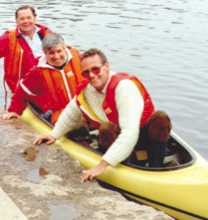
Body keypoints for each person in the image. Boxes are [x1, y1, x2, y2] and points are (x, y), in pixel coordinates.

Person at [34, 48, 172, 183]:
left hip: (137, 134)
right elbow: (71, 113)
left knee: (160, 117)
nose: (92, 75)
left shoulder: (124, 88)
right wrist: (53, 135)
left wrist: (102, 165)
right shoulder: (87, 90)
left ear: (106, 66)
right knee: (106, 128)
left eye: (95, 69)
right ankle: (128, 165)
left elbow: (130, 132)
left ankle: (156, 166)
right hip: (119, 137)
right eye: (86, 72)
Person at [0, 5, 52, 102]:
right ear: (16, 21)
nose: (26, 21)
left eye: (29, 18)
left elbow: (63, 54)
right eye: (22, 19)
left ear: (35, 18)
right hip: (24, 88)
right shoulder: (8, 38)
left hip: (50, 81)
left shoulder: (46, 34)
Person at [2, 33, 84, 125]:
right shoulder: (38, 71)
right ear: (45, 54)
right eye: (51, 53)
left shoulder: (78, 58)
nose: (56, 57)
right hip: (61, 114)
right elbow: (22, 90)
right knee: (79, 127)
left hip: (84, 107)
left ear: (65, 49)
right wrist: (14, 111)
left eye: (59, 51)